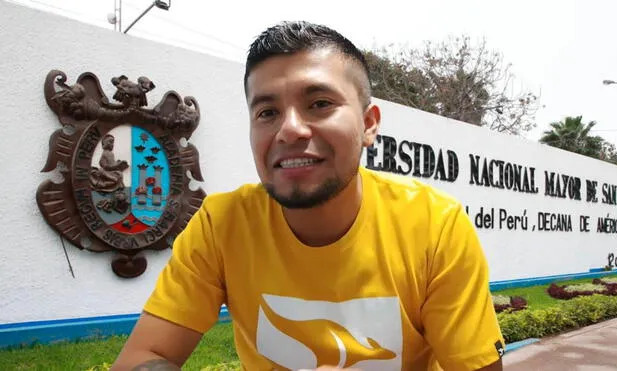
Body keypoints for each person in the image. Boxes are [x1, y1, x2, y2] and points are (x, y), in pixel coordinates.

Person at [111, 21, 505, 371]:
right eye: (267, 112)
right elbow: (143, 359)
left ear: (369, 125)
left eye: (319, 104)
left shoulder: (435, 226)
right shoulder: (223, 225)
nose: (291, 130)